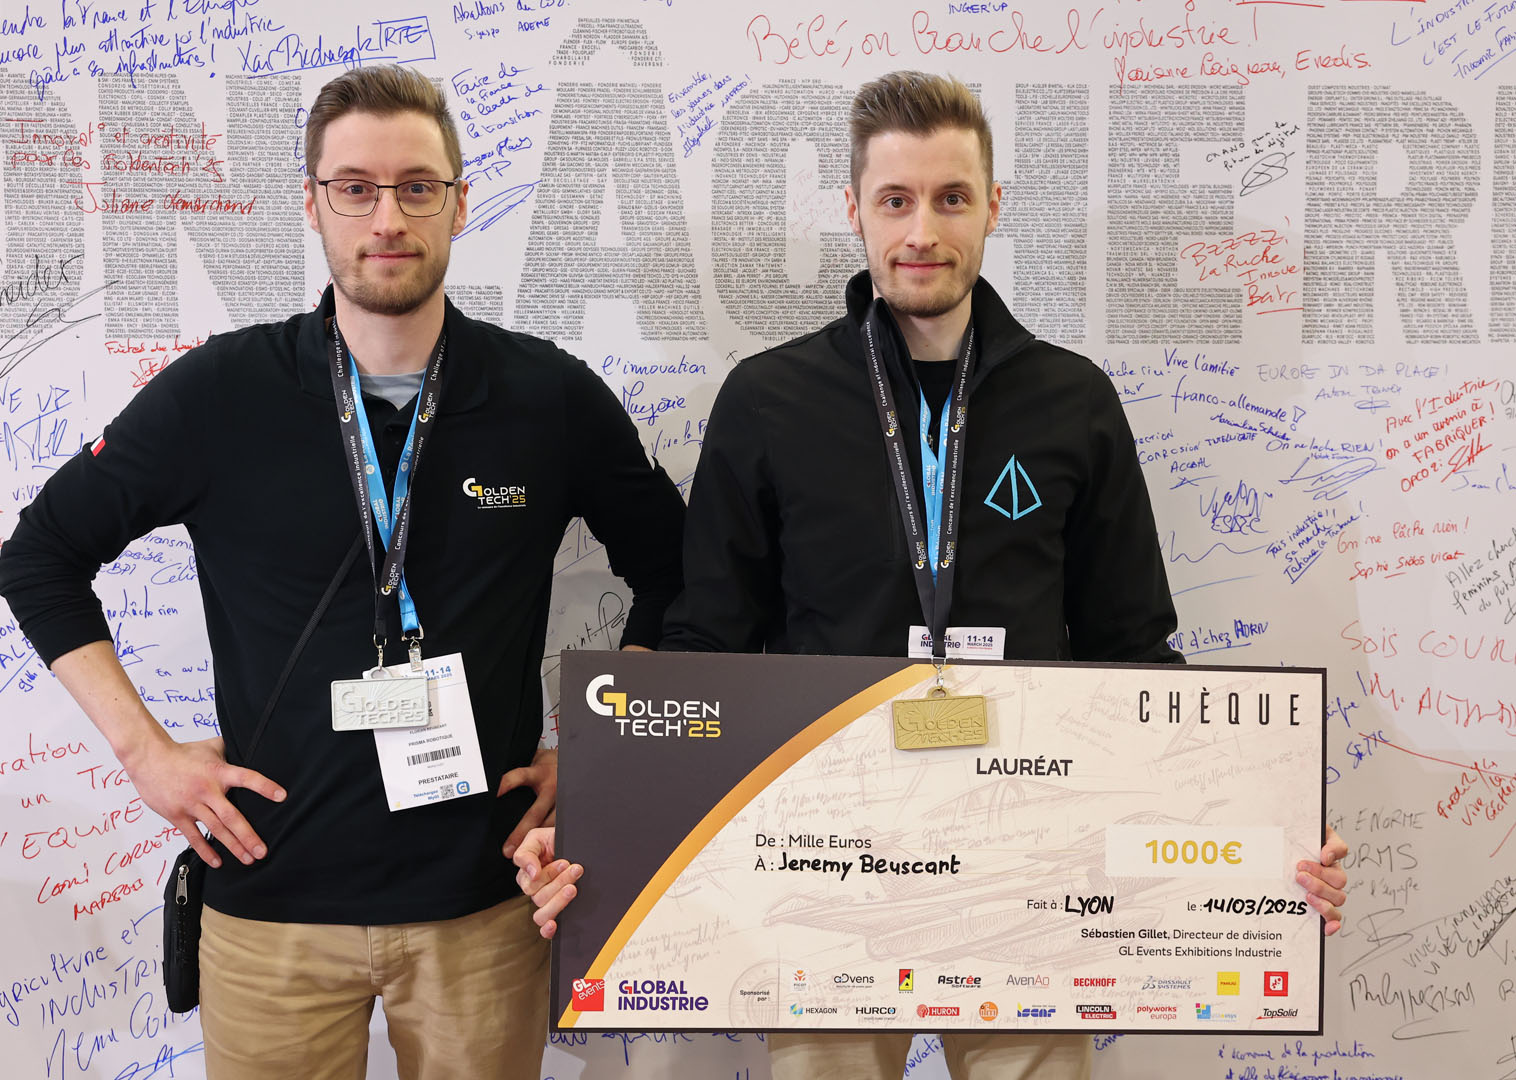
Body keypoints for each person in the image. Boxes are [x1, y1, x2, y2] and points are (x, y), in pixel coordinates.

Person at [512, 71, 1348, 1080]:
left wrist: (1260, 827)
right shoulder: (770, 400)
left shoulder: (1072, 400)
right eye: (895, 200)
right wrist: (602, 811)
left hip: (1032, 860)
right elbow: (706, 648)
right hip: (822, 855)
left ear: (992, 206)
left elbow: (1134, 654)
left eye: (951, 199)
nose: (922, 231)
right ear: (854, 210)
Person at [0, 64, 685, 1080]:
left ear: (459, 202)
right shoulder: (221, 393)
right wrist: (146, 755)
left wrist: (599, 751)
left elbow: (680, 571)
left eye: (417, 187)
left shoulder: (548, 397)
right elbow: (40, 558)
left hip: (482, 912)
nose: (388, 217)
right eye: (355, 188)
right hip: (269, 911)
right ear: (314, 204)